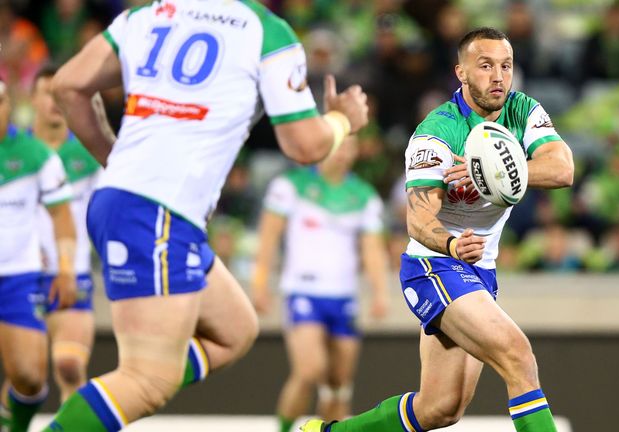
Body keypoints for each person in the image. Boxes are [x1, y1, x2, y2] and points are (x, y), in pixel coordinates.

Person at [45, 0, 369, 430]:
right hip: (158, 213)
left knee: (234, 331)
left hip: (135, 203)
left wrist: (116, 160)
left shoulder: (146, 15)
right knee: (145, 381)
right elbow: (305, 146)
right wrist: (341, 120)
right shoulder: (265, 30)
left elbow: (67, 85)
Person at [302, 27, 574, 432]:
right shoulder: (437, 133)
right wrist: (450, 242)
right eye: (485, 66)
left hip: (479, 269)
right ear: (461, 73)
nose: (498, 77)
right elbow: (418, 220)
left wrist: (499, 168)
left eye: (506, 66)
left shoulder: (523, 110)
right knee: (518, 355)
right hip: (436, 263)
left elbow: (563, 168)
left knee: (440, 408)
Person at [252, 137, 390, 432]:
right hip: (303, 292)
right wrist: (260, 285)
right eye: (338, 144)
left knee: (339, 384)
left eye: (349, 146)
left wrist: (380, 293)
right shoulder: (290, 186)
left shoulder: (364, 196)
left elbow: (372, 251)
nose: (343, 153)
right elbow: (268, 239)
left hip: (344, 296)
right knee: (309, 370)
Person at [0, 75, 77, 432]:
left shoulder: (36, 156)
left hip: (18, 276)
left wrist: (65, 269)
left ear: (10, 108)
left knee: (30, 377)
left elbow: (61, 215)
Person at [32, 65, 102, 404]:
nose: (54, 101)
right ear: (31, 98)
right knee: (25, 378)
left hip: (70, 275)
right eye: (47, 92)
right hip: (19, 276)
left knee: (70, 365)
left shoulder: (88, 155)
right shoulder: (15, 153)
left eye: (62, 93)